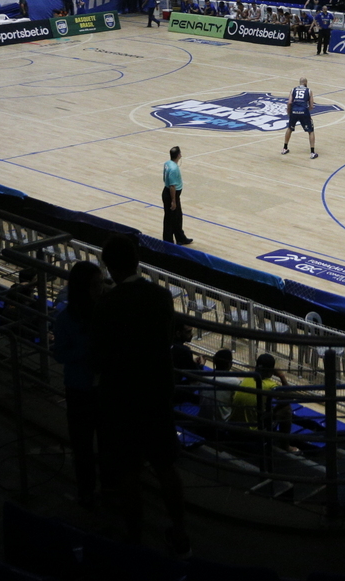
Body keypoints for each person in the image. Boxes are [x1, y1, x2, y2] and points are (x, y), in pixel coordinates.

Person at [94, 234, 190, 555]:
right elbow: (165, 338)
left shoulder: (107, 304)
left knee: (128, 472)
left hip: (121, 398)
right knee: (166, 467)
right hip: (157, 392)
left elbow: (102, 353)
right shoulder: (161, 296)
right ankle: (179, 532)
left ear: (109, 267)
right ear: (137, 262)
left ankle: (134, 539)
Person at [52, 261, 103, 506]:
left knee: (107, 444)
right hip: (80, 390)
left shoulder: (105, 312)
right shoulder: (65, 318)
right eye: (94, 286)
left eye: (101, 284)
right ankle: (86, 492)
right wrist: (86, 350)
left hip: (104, 389)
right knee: (82, 447)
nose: (100, 290)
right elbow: (59, 354)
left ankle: (108, 490)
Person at [282, 77, 318, 159]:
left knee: (289, 129)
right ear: (306, 83)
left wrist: (289, 111)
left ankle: (284, 148)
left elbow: (289, 102)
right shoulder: (309, 91)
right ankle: (312, 152)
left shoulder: (293, 90)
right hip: (303, 111)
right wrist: (307, 110)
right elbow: (311, 106)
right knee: (311, 131)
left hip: (294, 111)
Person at [162, 146, 191, 245]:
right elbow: (172, 186)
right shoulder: (174, 169)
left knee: (177, 217)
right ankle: (168, 241)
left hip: (168, 193)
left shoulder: (167, 163)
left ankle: (180, 237)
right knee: (170, 218)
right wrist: (173, 201)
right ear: (178, 155)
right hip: (171, 195)